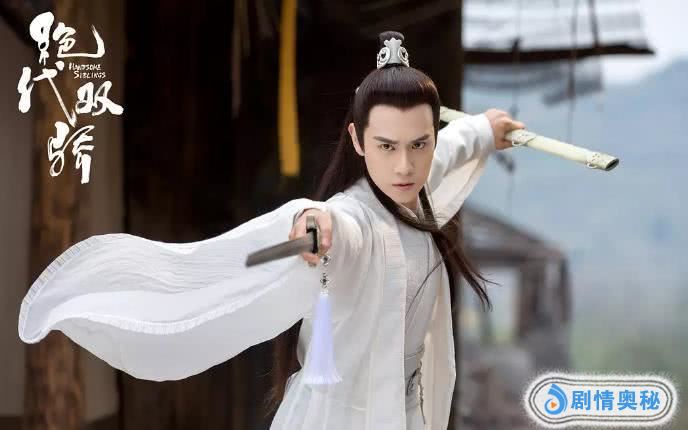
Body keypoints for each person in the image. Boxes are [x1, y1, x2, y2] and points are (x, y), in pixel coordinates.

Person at [18, 31, 524, 429]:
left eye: (419, 144)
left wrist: (484, 129)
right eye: (386, 146)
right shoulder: (356, 220)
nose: (405, 165)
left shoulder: (414, 189)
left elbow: (450, 150)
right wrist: (314, 225)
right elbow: (333, 224)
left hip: (407, 412)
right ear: (357, 140)